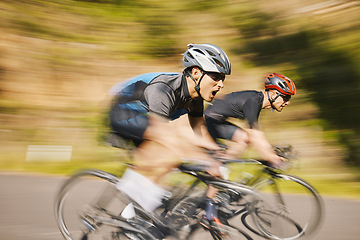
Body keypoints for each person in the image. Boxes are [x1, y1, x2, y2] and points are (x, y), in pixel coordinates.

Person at [108, 43, 231, 219]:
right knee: (168, 153)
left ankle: (135, 212)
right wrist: (206, 159)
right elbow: (164, 135)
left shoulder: (195, 98)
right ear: (196, 72)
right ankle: (130, 215)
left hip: (145, 121)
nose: (221, 85)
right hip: (124, 114)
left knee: (166, 165)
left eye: (223, 79)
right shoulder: (164, 89)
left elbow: (199, 131)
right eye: (216, 77)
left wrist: (217, 152)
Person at [204, 73, 296, 167]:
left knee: (243, 139)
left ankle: (221, 167)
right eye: (285, 97)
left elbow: (255, 134)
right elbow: (254, 135)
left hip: (215, 120)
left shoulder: (257, 100)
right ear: (273, 94)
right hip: (210, 121)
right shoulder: (253, 101)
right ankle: (216, 169)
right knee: (243, 139)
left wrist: (270, 152)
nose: (287, 102)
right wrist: (272, 157)